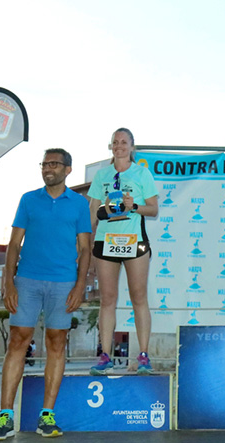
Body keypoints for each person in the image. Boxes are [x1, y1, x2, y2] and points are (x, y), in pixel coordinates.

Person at [0, 149, 91, 441]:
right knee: (18, 340)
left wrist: (80, 286)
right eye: (44, 164)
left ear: (67, 169)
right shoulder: (28, 199)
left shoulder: (80, 204)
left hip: (64, 282)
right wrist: (9, 284)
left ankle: (47, 416)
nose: (48, 168)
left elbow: (85, 249)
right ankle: (5, 417)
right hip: (27, 280)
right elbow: (14, 244)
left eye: (54, 164)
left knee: (56, 343)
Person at [88, 128, 159, 375]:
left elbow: (153, 209)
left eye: (124, 142)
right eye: (115, 142)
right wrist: (84, 241)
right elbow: (93, 212)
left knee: (139, 298)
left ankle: (143, 355)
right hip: (106, 241)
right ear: (111, 146)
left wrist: (134, 206)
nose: (119, 146)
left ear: (132, 147)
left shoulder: (142, 173)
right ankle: (105, 355)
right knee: (107, 299)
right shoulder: (101, 175)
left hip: (134, 241)